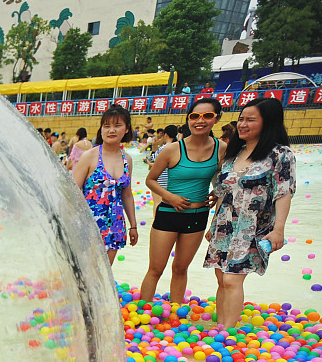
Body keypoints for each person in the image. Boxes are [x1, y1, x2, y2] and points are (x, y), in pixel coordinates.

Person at [203, 97, 296, 330]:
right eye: (241, 119)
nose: (243, 124)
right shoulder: (236, 152)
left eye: (250, 120)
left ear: (268, 123)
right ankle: (221, 328)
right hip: (225, 224)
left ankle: (229, 333)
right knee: (221, 278)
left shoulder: (280, 154)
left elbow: (283, 192)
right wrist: (213, 225)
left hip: (252, 226)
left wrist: (279, 230)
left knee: (233, 278)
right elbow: (224, 192)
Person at [139, 97, 225, 304]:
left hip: (197, 216)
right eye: (194, 116)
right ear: (188, 119)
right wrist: (170, 197)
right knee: (156, 268)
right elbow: (150, 180)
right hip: (168, 214)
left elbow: (222, 182)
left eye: (207, 116)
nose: (200, 120)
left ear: (217, 118)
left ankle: (176, 312)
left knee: (180, 268)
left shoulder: (221, 148)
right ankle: (144, 310)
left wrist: (217, 194)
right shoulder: (172, 149)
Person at [73, 104, 136, 265]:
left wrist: (133, 226)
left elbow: (127, 194)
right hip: (89, 223)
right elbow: (72, 191)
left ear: (126, 129)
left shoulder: (127, 159)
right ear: (101, 130)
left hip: (115, 223)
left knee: (105, 272)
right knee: (86, 272)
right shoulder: (90, 156)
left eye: (117, 125)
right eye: (106, 126)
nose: (111, 130)